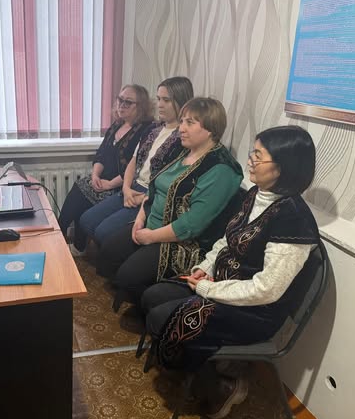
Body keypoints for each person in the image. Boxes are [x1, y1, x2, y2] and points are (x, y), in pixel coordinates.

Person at [141, 125, 319, 419]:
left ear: (283, 167)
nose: (250, 160)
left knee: (162, 318)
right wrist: (204, 268)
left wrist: (208, 289)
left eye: (258, 156)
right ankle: (219, 366)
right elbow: (227, 240)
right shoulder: (257, 194)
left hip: (255, 311)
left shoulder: (293, 220)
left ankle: (224, 385)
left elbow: (267, 289)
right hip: (223, 283)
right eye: (253, 153)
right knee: (153, 296)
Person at [96, 97, 243, 305]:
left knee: (128, 276)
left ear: (211, 129)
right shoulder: (181, 151)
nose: (181, 128)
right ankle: (133, 293)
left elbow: (192, 224)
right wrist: (140, 220)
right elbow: (153, 188)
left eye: (190, 123)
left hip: (181, 241)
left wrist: (151, 237)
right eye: (182, 121)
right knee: (108, 252)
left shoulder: (221, 169)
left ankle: (149, 306)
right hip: (150, 224)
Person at [78, 77, 193, 246]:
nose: (160, 105)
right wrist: (126, 188)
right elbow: (133, 160)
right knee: (86, 220)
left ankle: (112, 254)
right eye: (159, 99)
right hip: (132, 186)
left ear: (182, 102)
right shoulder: (153, 129)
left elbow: (173, 181)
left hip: (151, 194)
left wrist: (145, 198)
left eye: (166, 100)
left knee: (104, 232)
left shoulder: (183, 137)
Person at [58, 84, 153, 252]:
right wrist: (95, 175)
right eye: (120, 100)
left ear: (141, 106)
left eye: (128, 102)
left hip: (121, 186)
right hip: (104, 180)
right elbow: (101, 154)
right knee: (82, 186)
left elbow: (136, 166)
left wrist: (109, 184)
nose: (121, 105)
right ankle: (64, 235)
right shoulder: (117, 125)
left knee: (82, 194)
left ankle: (66, 238)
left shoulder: (145, 130)